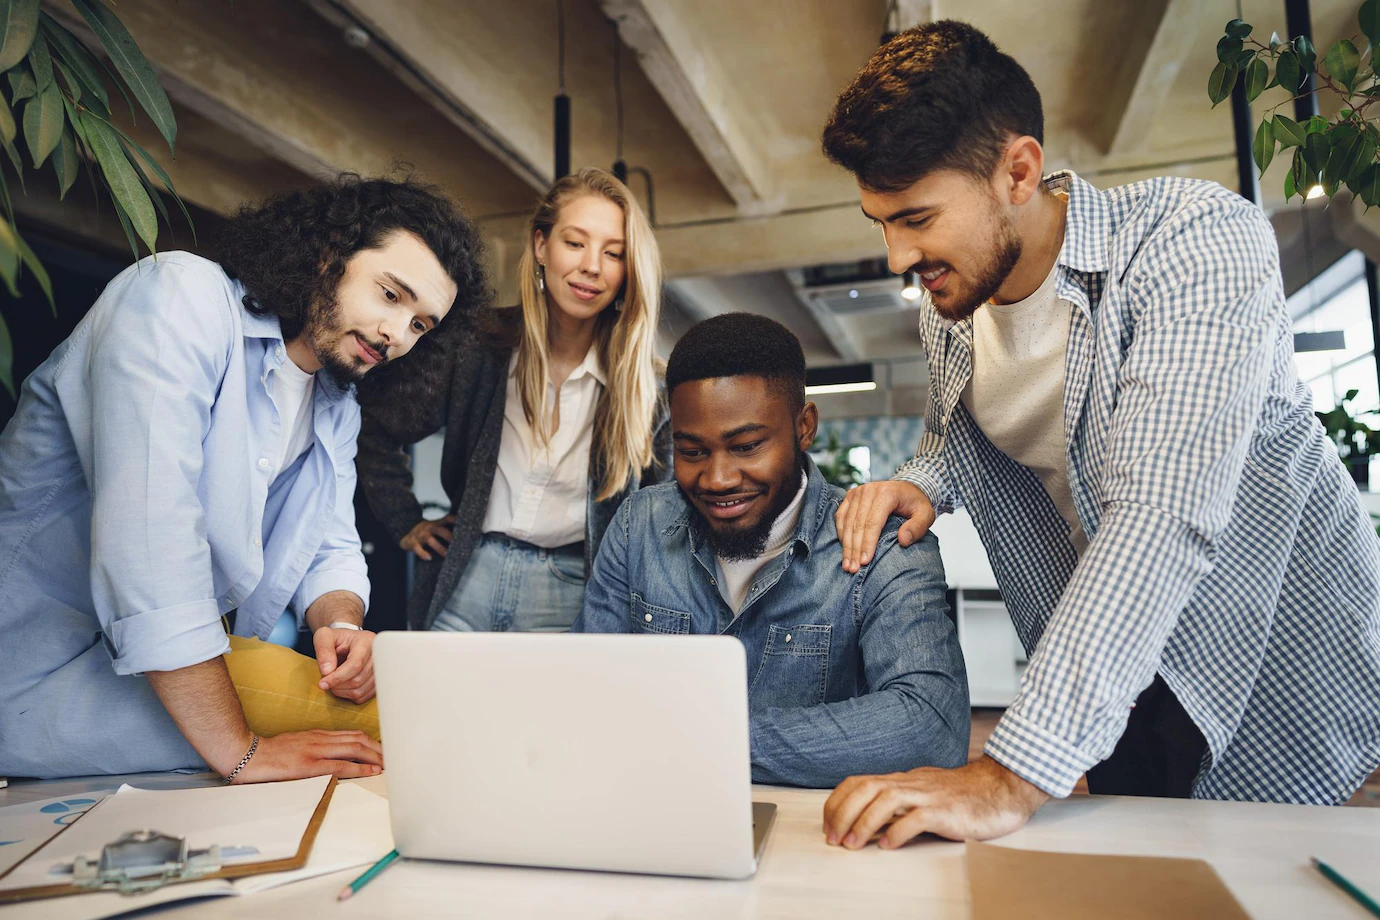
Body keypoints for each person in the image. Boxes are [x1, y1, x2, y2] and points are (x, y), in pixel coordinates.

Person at [816, 20, 1380, 848]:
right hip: (1103, 647)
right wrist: (923, 481)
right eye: (882, 222)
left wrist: (1010, 774)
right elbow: (961, 439)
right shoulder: (954, 306)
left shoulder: (1192, 242)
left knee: (1266, 867)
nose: (899, 255)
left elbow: (1160, 511)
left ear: (1019, 170)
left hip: (1253, 642)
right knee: (1147, 868)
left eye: (917, 218)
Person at [0, 175, 489, 781]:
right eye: (391, 294)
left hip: (166, 671)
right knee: (427, 719)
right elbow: (151, 543)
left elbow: (331, 545)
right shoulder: (179, 296)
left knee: (415, 704)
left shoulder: (335, 402)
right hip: (36, 670)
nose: (396, 336)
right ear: (329, 253)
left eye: (421, 325)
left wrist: (340, 626)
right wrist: (242, 751)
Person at [571, 313, 969, 788]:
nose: (717, 479)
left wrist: (704, 740)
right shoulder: (639, 527)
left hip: (820, 841)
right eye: (692, 452)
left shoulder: (885, 545)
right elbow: (587, 692)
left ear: (804, 427)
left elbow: (932, 727)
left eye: (746, 447)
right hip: (656, 813)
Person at [356, 167, 669, 634]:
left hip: (571, 591)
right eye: (575, 242)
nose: (592, 266)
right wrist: (406, 519)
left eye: (614, 253)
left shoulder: (648, 386)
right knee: (433, 707)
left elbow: (667, 515)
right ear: (542, 245)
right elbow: (375, 429)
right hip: (466, 574)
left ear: (628, 270)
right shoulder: (479, 345)